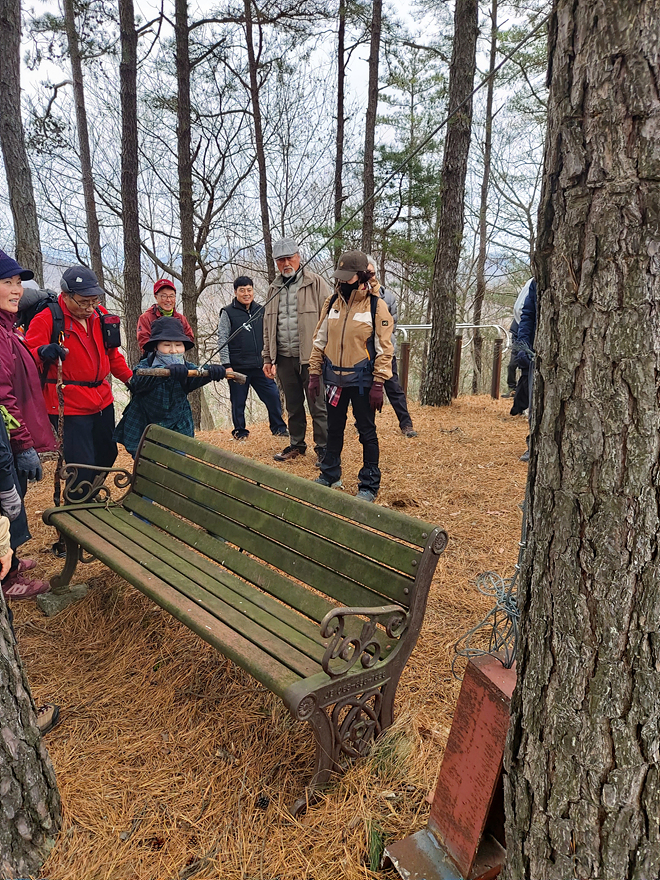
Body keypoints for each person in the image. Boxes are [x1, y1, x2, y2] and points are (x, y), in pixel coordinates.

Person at [25, 265, 133, 501]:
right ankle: (77, 506)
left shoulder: (100, 316)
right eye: (83, 302)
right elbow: (26, 358)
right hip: (68, 404)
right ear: (66, 295)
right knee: (81, 464)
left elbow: (113, 356)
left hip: (102, 399)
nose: (89, 307)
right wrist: (42, 352)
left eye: (94, 301)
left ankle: (89, 495)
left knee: (108, 453)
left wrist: (130, 380)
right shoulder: (47, 318)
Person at [308, 250, 394, 503]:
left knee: (366, 431)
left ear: (361, 276)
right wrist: (314, 372)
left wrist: (379, 382)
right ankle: (330, 473)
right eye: (340, 276)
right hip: (334, 378)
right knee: (333, 428)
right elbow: (319, 340)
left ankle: (369, 483)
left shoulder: (376, 305)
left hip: (362, 381)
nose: (343, 281)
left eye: (348, 276)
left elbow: (384, 348)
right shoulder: (332, 303)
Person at [0, 250, 55, 595]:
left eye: (18, 282)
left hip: (10, 441)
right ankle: (7, 580)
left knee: (13, 501)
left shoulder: (8, 328)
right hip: (6, 443)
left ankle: (13, 561)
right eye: (7, 282)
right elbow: (2, 396)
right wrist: (22, 445)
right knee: (7, 505)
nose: (16, 289)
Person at [115, 316, 226, 457]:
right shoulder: (144, 366)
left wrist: (212, 372)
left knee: (178, 464)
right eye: (167, 345)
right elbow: (138, 381)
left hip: (178, 426)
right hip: (144, 425)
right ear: (156, 347)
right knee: (147, 465)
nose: (173, 350)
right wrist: (165, 372)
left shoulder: (187, 367)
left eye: (178, 345)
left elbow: (197, 375)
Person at [261, 238, 330, 465]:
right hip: (283, 357)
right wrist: (268, 357)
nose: (286, 263)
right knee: (292, 405)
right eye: (281, 260)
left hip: (312, 358)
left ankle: (324, 448)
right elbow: (268, 326)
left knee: (318, 405)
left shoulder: (315, 283)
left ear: (299, 257)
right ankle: (297, 444)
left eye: (290, 258)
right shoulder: (274, 288)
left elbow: (330, 319)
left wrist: (326, 353)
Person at [218, 276, 288, 441]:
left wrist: (271, 360)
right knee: (238, 402)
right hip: (238, 367)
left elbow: (270, 335)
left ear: (253, 291)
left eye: (249, 290)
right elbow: (222, 339)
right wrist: (227, 365)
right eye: (242, 290)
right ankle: (240, 432)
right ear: (235, 292)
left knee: (273, 396)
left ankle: (279, 428)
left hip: (260, 366)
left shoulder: (261, 310)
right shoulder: (227, 312)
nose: (246, 293)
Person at [365, 257, 417, 438]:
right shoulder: (356, 297)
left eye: (371, 273)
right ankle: (364, 423)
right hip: (364, 353)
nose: (369, 277)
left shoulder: (387, 297)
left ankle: (406, 424)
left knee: (393, 388)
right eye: (365, 274)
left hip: (385, 352)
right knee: (365, 389)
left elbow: (392, 324)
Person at [137, 278, 194, 353]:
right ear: (156, 297)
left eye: (171, 296)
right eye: (164, 296)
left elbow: (190, 337)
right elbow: (144, 342)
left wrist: (177, 349)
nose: (168, 300)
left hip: (177, 356)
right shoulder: (146, 318)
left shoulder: (180, 318)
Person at [515, 279, 537, 462]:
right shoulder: (536, 282)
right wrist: (523, 344)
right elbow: (527, 313)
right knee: (534, 400)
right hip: (537, 351)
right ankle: (534, 443)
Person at [508, 279, 535, 412]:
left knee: (526, 370)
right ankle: (520, 407)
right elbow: (522, 311)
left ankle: (522, 406)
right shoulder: (533, 283)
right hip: (521, 331)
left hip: (524, 330)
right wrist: (524, 340)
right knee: (522, 367)